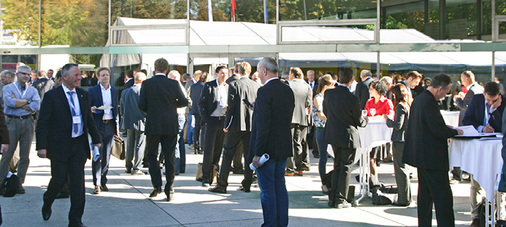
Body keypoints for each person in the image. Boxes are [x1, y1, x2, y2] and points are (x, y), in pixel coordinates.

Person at [37, 63, 101, 227]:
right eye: (76, 75)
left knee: (78, 185)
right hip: (59, 146)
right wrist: (41, 146)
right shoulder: (52, 96)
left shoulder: (82, 95)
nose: (79, 78)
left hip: (78, 146)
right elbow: (43, 123)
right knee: (58, 179)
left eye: (79, 75)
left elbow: (88, 119)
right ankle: (48, 200)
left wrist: (96, 139)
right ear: (65, 77)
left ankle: (75, 220)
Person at [403, 74, 463, 227]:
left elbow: (428, 125)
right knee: (443, 199)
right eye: (447, 91)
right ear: (440, 88)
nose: (446, 95)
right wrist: (455, 132)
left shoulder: (420, 99)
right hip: (432, 158)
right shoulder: (429, 102)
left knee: (425, 197)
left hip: (421, 157)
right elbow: (438, 130)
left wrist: (445, 128)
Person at [249, 57, 294, 227]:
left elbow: (263, 126)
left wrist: (257, 153)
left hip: (267, 150)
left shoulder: (264, 91)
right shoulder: (286, 89)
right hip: (282, 146)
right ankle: (281, 223)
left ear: (265, 71)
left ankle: (270, 224)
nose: (258, 74)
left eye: (259, 71)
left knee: (267, 190)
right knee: (280, 188)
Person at [138, 58, 188, 201]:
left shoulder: (147, 84)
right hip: (170, 124)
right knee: (169, 156)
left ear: (155, 68)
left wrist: (152, 110)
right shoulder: (173, 83)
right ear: (166, 69)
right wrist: (171, 105)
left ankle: (157, 185)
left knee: (152, 155)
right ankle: (170, 187)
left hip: (153, 124)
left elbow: (141, 104)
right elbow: (184, 101)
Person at [208, 61, 260, 194]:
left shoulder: (234, 84)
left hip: (236, 125)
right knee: (248, 155)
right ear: (249, 71)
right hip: (251, 125)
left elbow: (231, 107)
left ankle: (222, 184)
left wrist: (226, 125)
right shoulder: (256, 85)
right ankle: (247, 182)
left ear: (237, 71)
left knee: (227, 154)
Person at [461, 81, 506, 226]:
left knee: (498, 182)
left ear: (499, 96)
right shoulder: (477, 99)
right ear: (484, 94)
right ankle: (476, 216)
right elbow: (466, 120)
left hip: (497, 147)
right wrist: (481, 128)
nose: (490, 102)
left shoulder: (503, 104)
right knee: (476, 181)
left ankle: (499, 215)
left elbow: (502, 126)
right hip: (480, 146)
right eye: (488, 99)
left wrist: (494, 111)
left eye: (494, 100)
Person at [323, 67, 368, 209]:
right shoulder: (352, 98)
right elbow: (358, 120)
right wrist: (365, 120)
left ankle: (333, 197)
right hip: (348, 135)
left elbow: (326, 112)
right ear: (351, 80)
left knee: (337, 166)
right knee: (346, 167)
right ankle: (341, 199)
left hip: (333, 133)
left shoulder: (329, 94)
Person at [0, 65, 40, 194]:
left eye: (28, 74)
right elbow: (9, 103)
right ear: (17, 74)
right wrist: (27, 102)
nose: (26, 76)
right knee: (7, 154)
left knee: (24, 155)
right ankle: (1, 181)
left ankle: (19, 182)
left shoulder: (32, 90)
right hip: (12, 121)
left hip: (27, 121)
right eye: (24, 74)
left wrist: (19, 102)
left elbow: (36, 105)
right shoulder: (8, 88)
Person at [88, 67, 118, 194]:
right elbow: (87, 107)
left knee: (106, 155)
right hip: (97, 125)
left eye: (107, 75)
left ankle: (103, 180)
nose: (105, 77)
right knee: (97, 154)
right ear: (98, 77)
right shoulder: (93, 90)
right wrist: (92, 109)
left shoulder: (114, 91)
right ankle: (96, 182)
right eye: (102, 75)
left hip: (110, 124)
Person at [198, 66, 229, 187]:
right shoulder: (209, 86)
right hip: (211, 120)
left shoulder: (228, 87)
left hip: (223, 120)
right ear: (217, 74)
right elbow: (201, 103)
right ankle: (205, 176)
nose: (224, 75)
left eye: (226, 73)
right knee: (209, 149)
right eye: (222, 73)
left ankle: (214, 174)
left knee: (218, 149)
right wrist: (206, 119)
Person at [385, 83, 413, 206]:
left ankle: (403, 199)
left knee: (400, 170)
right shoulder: (407, 105)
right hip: (406, 140)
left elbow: (397, 125)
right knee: (404, 169)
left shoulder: (400, 107)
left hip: (399, 140)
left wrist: (388, 121)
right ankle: (406, 197)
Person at [285, 67, 312, 176]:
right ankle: (300, 167)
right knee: (299, 143)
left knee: (289, 143)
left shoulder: (288, 84)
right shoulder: (307, 86)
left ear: (292, 74)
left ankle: (290, 168)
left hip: (290, 117)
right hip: (302, 118)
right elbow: (308, 104)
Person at [364, 80, 394, 178]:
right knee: (369, 158)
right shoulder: (369, 101)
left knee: (372, 158)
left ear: (378, 90)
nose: (370, 91)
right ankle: (372, 180)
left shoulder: (386, 102)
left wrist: (381, 117)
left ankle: (374, 181)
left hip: (380, 133)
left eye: (372, 89)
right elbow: (366, 115)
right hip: (369, 132)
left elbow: (391, 114)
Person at [120, 72, 147, 175]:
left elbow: (122, 108)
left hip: (129, 121)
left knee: (130, 144)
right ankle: (137, 168)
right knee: (140, 145)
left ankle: (128, 165)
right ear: (142, 81)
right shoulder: (143, 92)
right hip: (141, 121)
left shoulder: (125, 92)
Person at [312, 74, 335, 195]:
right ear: (326, 86)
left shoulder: (329, 97)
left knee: (332, 157)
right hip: (321, 129)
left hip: (329, 129)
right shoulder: (318, 98)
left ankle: (331, 181)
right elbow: (321, 115)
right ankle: (324, 183)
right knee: (323, 158)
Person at [167, 70, 188, 175]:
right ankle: (181, 166)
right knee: (179, 142)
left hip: (177, 116)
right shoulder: (180, 87)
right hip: (180, 116)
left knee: (174, 142)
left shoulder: (176, 87)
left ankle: (174, 168)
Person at [189, 72, 207, 154]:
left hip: (195, 108)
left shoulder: (193, 86)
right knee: (203, 128)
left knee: (196, 127)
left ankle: (196, 146)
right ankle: (203, 146)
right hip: (203, 109)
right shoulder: (205, 86)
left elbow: (191, 96)